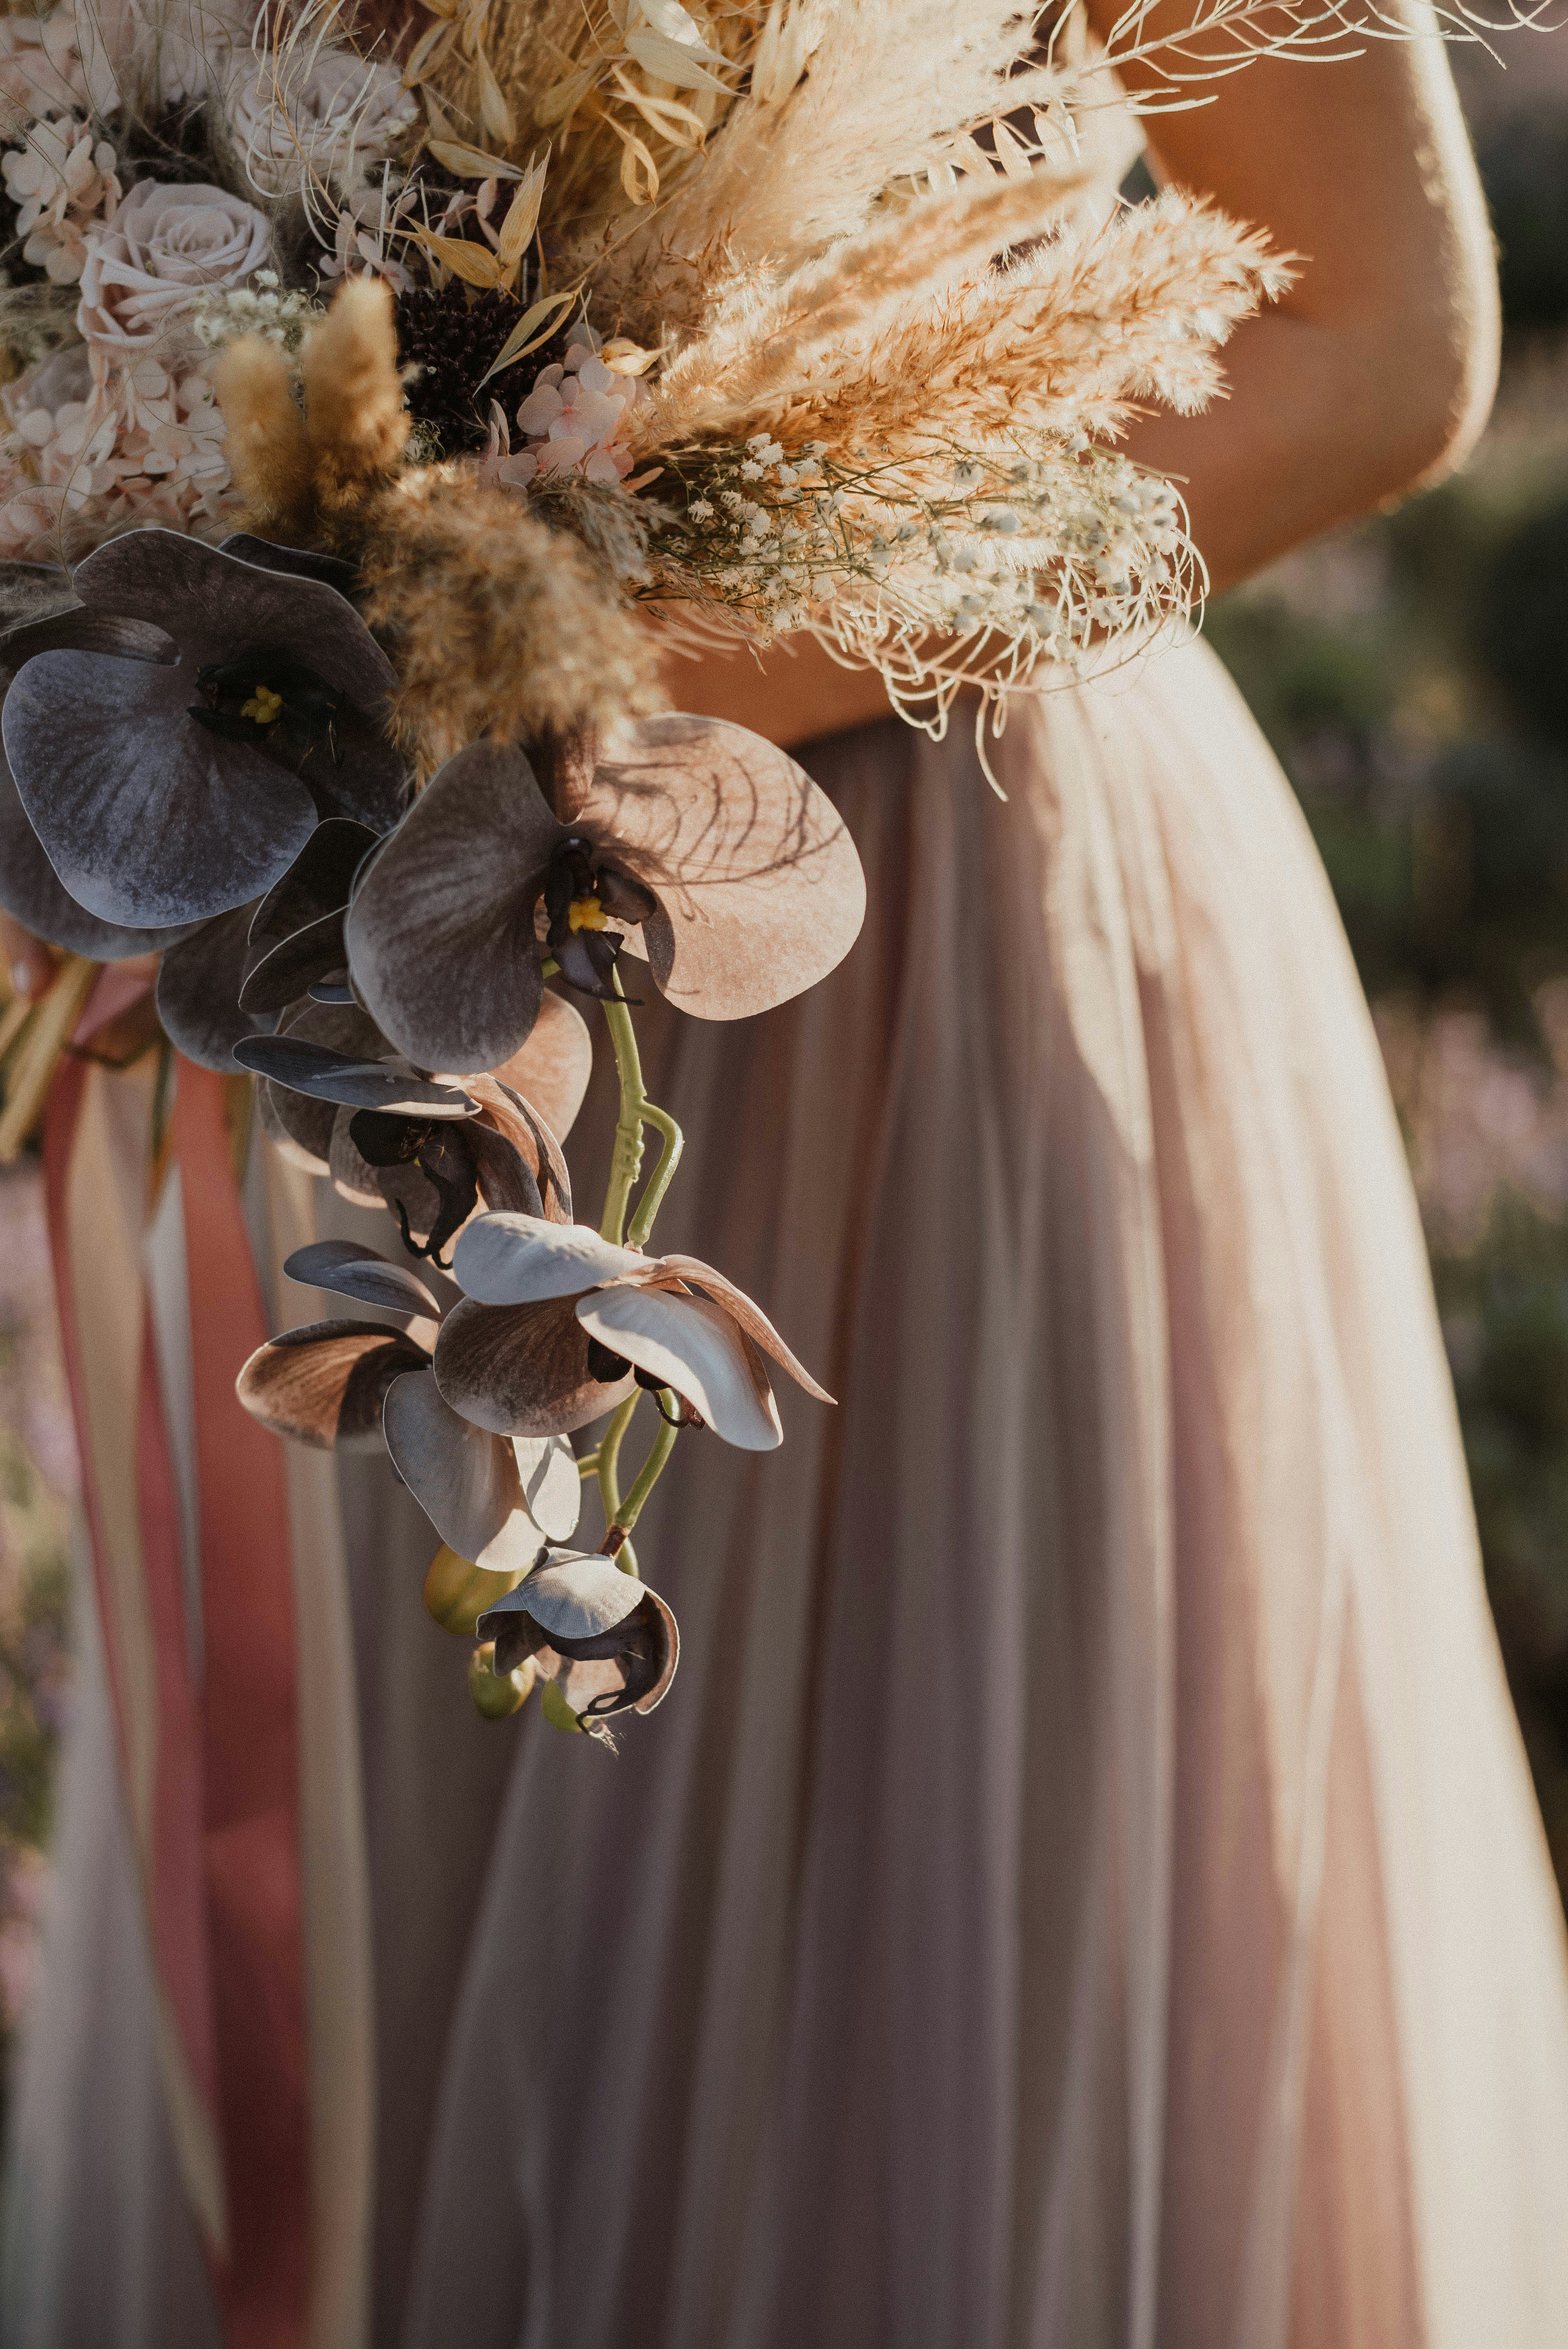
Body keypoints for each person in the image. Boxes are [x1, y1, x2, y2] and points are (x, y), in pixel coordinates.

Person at [7, 13, 1568, 2349]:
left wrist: (500, 724)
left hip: (935, 938)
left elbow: (1375, 337)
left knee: (924, 1959)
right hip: (377, 991)